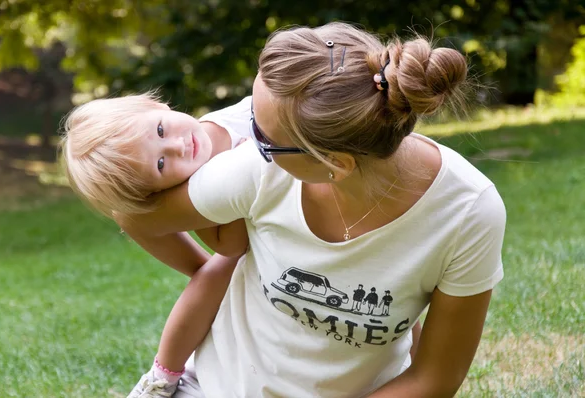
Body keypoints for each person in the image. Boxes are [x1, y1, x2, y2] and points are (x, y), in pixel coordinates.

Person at [116, 22, 506, 397]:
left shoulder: (467, 212)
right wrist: (206, 269)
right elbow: (133, 214)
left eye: (264, 139)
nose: (248, 141)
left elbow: (436, 378)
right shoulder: (254, 168)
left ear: (333, 165)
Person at [60, 93, 251, 397]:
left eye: (160, 130)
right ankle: (162, 379)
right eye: (161, 163)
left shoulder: (236, 120)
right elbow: (231, 247)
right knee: (215, 273)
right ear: (161, 189)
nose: (178, 146)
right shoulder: (194, 186)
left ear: (158, 106)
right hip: (257, 260)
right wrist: (241, 175)